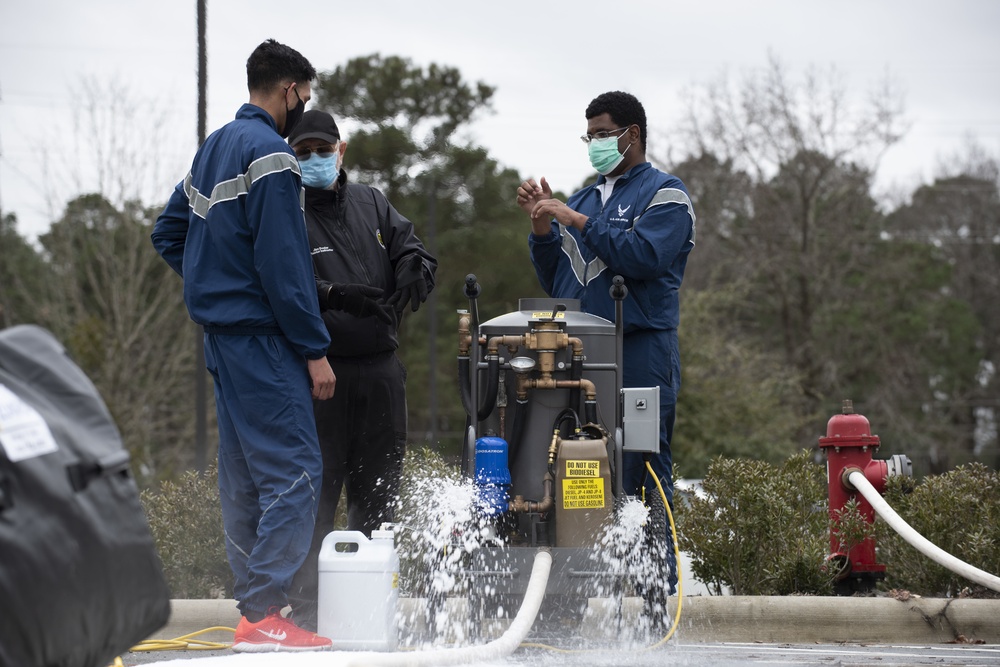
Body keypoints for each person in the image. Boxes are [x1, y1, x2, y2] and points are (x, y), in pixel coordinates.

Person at [151, 39, 336, 652]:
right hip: (262, 341)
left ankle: (253, 613)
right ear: (288, 91)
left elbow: (167, 231)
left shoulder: (213, 149)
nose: (300, 109)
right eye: (302, 98)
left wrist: (214, 283)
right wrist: (313, 348)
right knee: (296, 471)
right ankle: (263, 612)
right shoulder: (272, 155)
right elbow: (285, 268)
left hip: (221, 340)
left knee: (244, 477)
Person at [515, 90, 695, 594]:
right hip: (585, 354)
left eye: (601, 134)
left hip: (642, 351)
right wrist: (543, 228)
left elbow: (642, 257)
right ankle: (589, 589)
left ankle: (657, 598)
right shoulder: (585, 198)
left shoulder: (666, 194)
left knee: (644, 465)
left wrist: (577, 222)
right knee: (582, 460)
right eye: (588, 135)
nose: (593, 143)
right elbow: (561, 282)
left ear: (631, 135)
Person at [284, 110, 438, 631]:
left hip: (381, 371)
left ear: (340, 150)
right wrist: (332, 299)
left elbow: (411, 247)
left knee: (380, 493)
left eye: (321, 150)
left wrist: (416, 266)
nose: (312, 160)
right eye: (301, 153)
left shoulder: (372, 202)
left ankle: (371, 611)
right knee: (317, 496)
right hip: (321, 375)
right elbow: (284, 286)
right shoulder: (287, 211)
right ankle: (306, 613)